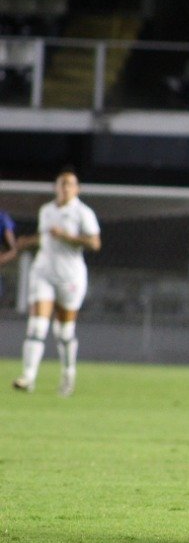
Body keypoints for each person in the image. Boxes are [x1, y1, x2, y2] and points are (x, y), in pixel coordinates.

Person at [12, 169, 101, 396]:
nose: (65, 188)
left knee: (64, 331)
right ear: (56, 187)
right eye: (61, 184)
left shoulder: (83, 213)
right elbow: (45, 238)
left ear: (77, 188)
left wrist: (67, 236)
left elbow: (94, 243)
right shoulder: (47, 210)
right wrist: (27, 242)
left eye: (69, 184)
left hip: (70, 276)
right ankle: (28, 376)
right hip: (43, 273)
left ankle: (68, 374)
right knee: (37, 326)